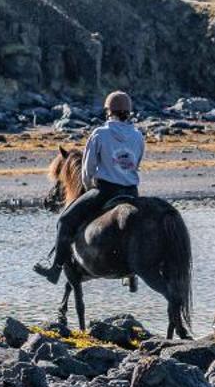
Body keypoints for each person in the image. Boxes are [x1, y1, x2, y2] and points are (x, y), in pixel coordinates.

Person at [35, 91, 144, 283]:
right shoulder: (137, 135)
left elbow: (87, 170)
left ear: (108, 111)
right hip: (132, 192)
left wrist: (88, 188)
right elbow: (137, 164)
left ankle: (55, 269)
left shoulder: (100, 134)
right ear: (128, 112)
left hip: (106, 191)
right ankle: (132, 273)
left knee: (64, 220)